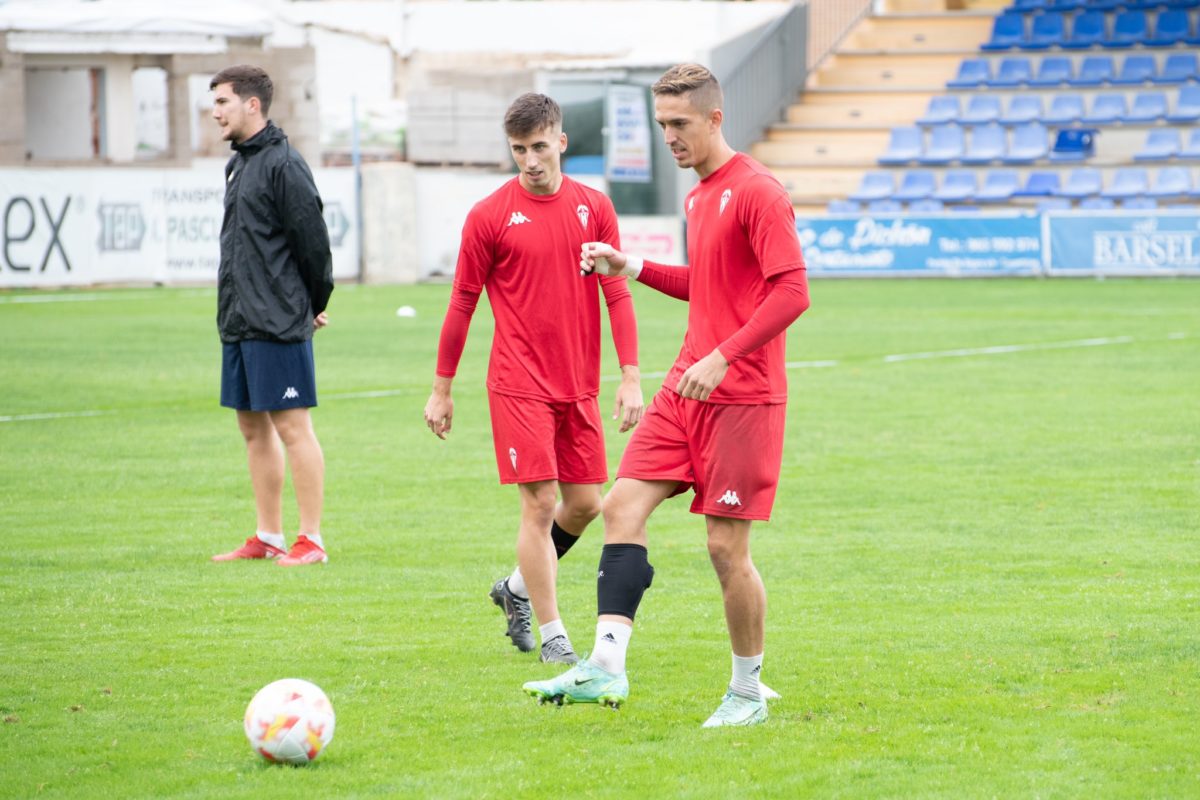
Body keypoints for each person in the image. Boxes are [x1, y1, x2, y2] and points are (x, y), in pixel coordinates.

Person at [523, 64, 810, 727]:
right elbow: (710, 286)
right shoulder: (700, 197)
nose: (670, 138)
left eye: (680, 125)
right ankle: (606, 666)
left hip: (742, 396)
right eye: (661, 126)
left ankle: (746, 692)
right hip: (688, 388)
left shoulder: (758, 192)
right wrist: (634, 267)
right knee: (621, 506)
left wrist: (723, 354)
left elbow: (792, 291)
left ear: (715, 119)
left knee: (723, 549)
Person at [424, 93, 643, 665]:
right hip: (518, 382)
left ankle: (515, 590)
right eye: (519, 149)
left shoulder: (594, 207)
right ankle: (554, 639)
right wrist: (442, 388)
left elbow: (616, 291)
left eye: (540, 147)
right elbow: (462, 305)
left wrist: (630, 376)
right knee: (540, 502)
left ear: (562, 142)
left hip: (579, 384)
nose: (530, 160)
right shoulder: (489, 216)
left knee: (587, 504)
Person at [207, 64, 334, 567]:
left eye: (222, 102)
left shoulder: (284, 163)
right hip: (238, 320)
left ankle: (312, 540)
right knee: (252, 429)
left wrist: (312, 304)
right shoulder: (238, 164)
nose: (216, 112)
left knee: (292, 427)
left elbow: (313, 244)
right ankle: (268, 536)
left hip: (277, 320)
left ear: (252, 104)